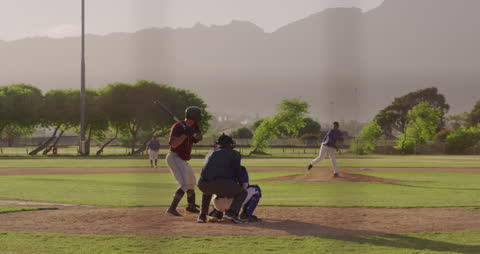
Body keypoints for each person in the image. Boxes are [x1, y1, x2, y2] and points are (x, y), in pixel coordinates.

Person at [196, 134, 247, 224]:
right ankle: (232, 213)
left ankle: (202, 216)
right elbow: (238, 171)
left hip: (201, 183)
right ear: (230, 144)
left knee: (207, 189)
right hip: (219, 183)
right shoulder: (234, 153)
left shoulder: (210, 153)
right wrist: (241, 184)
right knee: (243, 192)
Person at [164, 106, 203, 216]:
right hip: (174, 157)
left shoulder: (194, 126)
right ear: (193, 116)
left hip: (182, 159)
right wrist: (185, 134)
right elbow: (173, 144)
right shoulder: (177, 127)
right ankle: (171, 209)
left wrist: (194, 134)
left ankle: (191, 207)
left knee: (191, 182)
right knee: (185, 183)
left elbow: (199, 137)